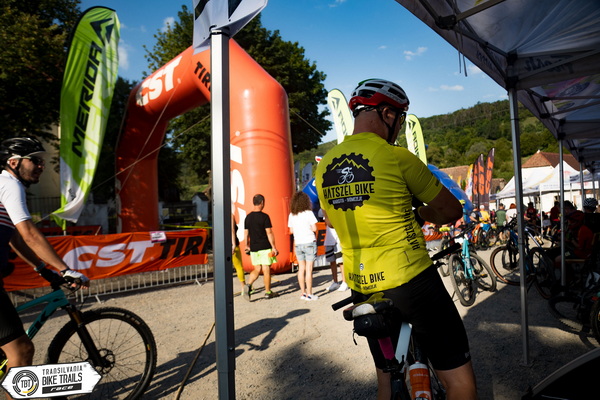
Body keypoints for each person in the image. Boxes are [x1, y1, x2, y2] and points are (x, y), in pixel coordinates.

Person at [315, 79, 477, 400]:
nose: (400, 127)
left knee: (387, 380)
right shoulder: (397, 157)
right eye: (400, 119)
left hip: (362, 286)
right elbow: (450, 210)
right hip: (411, 281)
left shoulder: (324, 168)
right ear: (387, 114)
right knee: (460, 382)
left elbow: (332, 220)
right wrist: (421, 214)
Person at [0, 137, 89, 381]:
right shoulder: (9, 184)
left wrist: (42, 268)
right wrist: (65, 269)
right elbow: (29, 234)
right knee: (21, 351)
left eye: (43, 161)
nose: (41, 166)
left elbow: (16, 239)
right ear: (14, 162)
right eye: (35, 160)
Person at [243, 194, 279, 300]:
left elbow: (246, 233)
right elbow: (269, 232)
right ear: (262, 203)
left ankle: (248, 285)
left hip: (253, 247)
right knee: (266, 269)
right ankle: (268, 292)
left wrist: (246, 245)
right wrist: (274, 247)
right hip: (265, 246)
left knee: (257, 269)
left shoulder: (248, 217)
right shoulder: (265, 217)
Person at [287, 192, 319, 301]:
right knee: (309, 269)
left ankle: (303, 293)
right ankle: (310, 294)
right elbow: (315, 228)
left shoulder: (292, 214)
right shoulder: (308, 213)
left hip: (298, 243)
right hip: (309, 242)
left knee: (301, 269)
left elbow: (291, 231)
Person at [321, 211, 347, 292]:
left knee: (341, 262)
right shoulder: (325, 211)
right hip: (329, 239)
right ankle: (335, 282)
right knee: (332, 262)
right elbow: (326, 221)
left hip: (338, 239)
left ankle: (344, 282)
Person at [232, 215, 246, 294]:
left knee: (223, 269)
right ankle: (243, 287)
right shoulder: (230, 216)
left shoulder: (217, 216)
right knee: (238, 267)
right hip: (232, 245)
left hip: (221, 246)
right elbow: (232, 230)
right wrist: (233, 244)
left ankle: (224, 290)